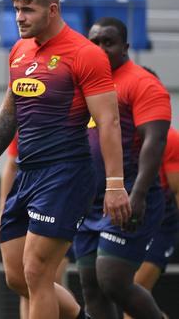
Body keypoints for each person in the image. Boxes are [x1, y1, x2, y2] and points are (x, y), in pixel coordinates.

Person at [0, 0, 129, 319]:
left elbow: (109, 123)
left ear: (52, 10)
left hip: (66, 174)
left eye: (28, 10)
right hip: (27, 173)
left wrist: (115, 184)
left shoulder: (86, 54)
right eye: (16, 10)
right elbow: (11, 109)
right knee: (17, 277)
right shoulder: (20, 50)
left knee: (38, 272)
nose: (19, 18)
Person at [74, 17, 171, 319]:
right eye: (94, 42)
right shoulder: (84, 84)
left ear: (126, 47)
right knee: (91, 286)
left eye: (109, 42)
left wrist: (138, 194)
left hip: (128, 195)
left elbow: (154, 143)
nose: (101, 49)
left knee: (113, 279)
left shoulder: (142, 83)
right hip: (89, 201)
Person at [0, 136, 72, 319]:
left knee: (44, 277)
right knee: (27, 281)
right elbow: (12, 164)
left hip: (62, 195)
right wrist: (2, 210)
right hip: (30, 200)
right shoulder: (28, 113)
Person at [124, 126, 179, 319]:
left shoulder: (169, 138)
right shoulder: (116, 132)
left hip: (162, 226)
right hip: (129, 222)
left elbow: (177, 190)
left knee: (132, 291)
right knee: (118, 292)